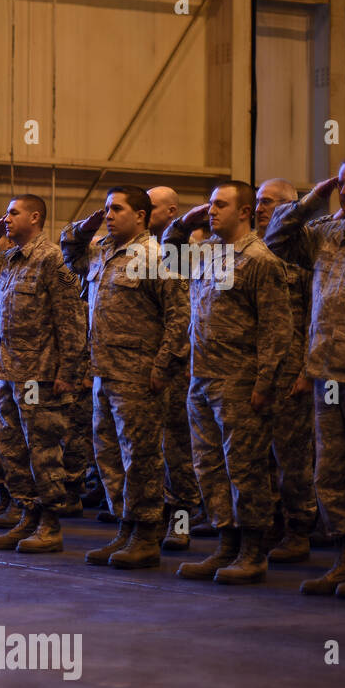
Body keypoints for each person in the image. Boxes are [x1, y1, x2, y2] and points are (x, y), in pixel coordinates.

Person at [267, 154, 345, 598]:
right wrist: (313, 198)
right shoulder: (328, 234)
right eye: (341, 184)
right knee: (330, 474)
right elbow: (277, 237)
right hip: (326, 376)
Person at [168, 181, 292, 584]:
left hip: (240, 383)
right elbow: (171, 248)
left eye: (220, 205)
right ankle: (226, 544)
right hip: (202, 380)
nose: (211, 211)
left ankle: (253, 552)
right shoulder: (207, 255)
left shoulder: (261, 261)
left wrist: (265, 383)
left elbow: (277, 328)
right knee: (208, 467)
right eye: (210, 205)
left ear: (244, 212)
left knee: (246, 469)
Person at [62, 187, 189, 569]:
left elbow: (179, 318)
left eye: (116, 209)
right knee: (109, 457)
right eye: (106, 209)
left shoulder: (157, 257)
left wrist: (162, 368)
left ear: (141, 216)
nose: (109, 215)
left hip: (138, 378)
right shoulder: (102, 252)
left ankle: (147, 534)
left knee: (141, 459)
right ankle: (125, 528)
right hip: (103, 372)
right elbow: (70, 252)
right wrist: (85, 225)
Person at [0, 195, 86, 553]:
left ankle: (50, 524)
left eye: (13, 213)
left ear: (35, 217)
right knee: (13, 451)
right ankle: (28, 516)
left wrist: (68, 370)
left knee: (42, 450)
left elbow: (71, 319)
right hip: (9, 373)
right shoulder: (8, 259)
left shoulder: (53, 258)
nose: (6, 218)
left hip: (40, 376)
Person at [254, 178, 317, 563]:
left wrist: (307, 370)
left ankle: (299, 530)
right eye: (257, 201)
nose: (260, 208)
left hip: (292, 370)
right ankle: (269, 524)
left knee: (293, 458)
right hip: (258, 372)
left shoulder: (302, 252)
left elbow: (315, 314)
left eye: (269, 202)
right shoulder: (250, 251)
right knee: (258, 457)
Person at [149, 185, 204, 545]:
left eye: (151, 206)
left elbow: (187, 312)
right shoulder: (134, 252)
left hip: (176, 366)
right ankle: (150, 518)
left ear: (171, 212)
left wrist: (178, 359)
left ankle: (181, 523)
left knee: (179, 452)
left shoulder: (186, 252)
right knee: (147, 450)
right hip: (140, 367)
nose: (144, 210)